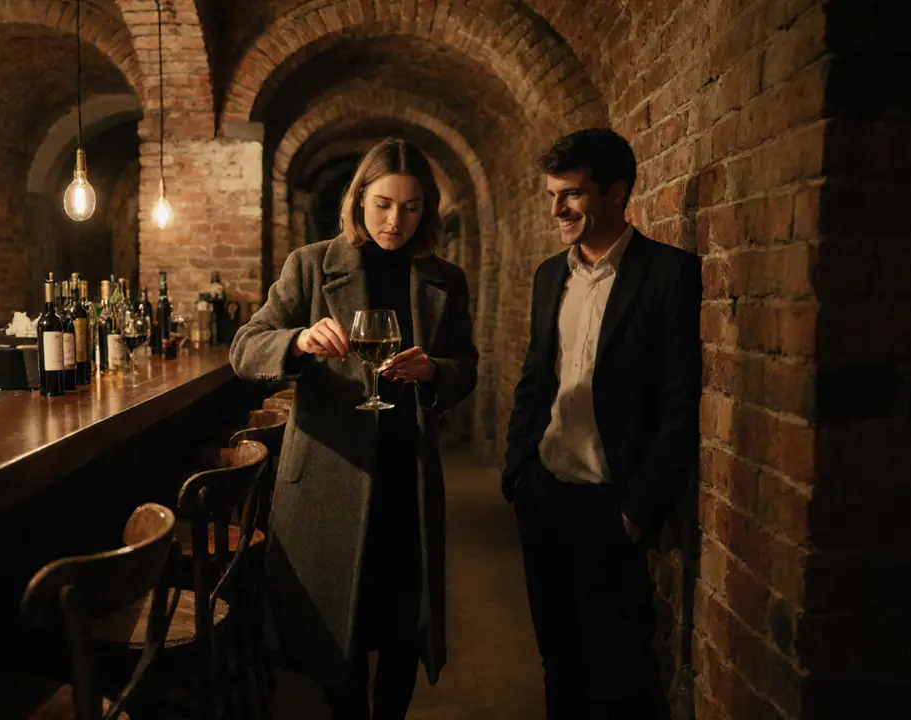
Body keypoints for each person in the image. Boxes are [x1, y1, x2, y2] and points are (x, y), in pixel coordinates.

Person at [231, 138, 478, 719]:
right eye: (384, 204)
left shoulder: (445, 279)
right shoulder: (312, 264)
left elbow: (465, 367)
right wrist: (298, 339)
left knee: (400, 629)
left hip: (406, 475)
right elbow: (244, 349)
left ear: (428, 209)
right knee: (335, 630)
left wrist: (434, 370)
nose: (397, 221)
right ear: (359, 199)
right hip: (329, 475)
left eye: (413, 207)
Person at [503, 128, 702, 719]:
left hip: (612, 508)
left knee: (618, 680)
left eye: (571, 194)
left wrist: (637, 512)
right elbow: (535, 381)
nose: (557, 209)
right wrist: (518, 474)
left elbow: (678, 402)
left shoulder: (668, 275)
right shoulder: (548, 277)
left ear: (617, 192)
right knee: (558, 662)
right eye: (551, 195)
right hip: (544, 494)